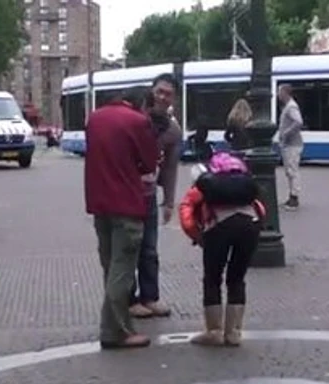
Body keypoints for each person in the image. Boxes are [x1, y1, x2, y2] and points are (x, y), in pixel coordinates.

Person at [85, 85, 160, 349]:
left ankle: (118, 324)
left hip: (99, 202)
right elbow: (149, 163)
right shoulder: (138, 121)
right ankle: (115, 331)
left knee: (109, 266)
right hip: (127, 203)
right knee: (122, 270)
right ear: (143, 104)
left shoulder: (95, 118)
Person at [179, 151, 264, 346]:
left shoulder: (206, 183)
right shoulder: (243, 183)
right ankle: (234, 333)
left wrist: (198, 236)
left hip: (218, 227)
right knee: (237, 278)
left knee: (212, 277)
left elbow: (186, 213)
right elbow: (260, 208)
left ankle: (214, 331)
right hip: (250, 225)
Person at [128, 73, 182, 319]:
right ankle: (128, 299)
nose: (162, 97)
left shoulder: (172, 130)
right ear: (151, 92)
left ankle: (150, 297)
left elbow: (170, 168)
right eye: (159, 91)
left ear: (174, 99)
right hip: (126, 192)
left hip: (148, 194)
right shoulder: (134, 119)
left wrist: (169, 202)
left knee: (149, 249)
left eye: (168, 94)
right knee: (128, 247)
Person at [277, 84, 304, 210]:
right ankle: (291, 196)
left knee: (292, 171)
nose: (278, 95)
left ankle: (294, 198)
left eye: (279, 92)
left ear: (285, 93)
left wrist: (286, 133)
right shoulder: (289, 106)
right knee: (290, 171)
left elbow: (298, 122)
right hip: (289, 143)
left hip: (292, 144)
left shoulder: (291, 107)